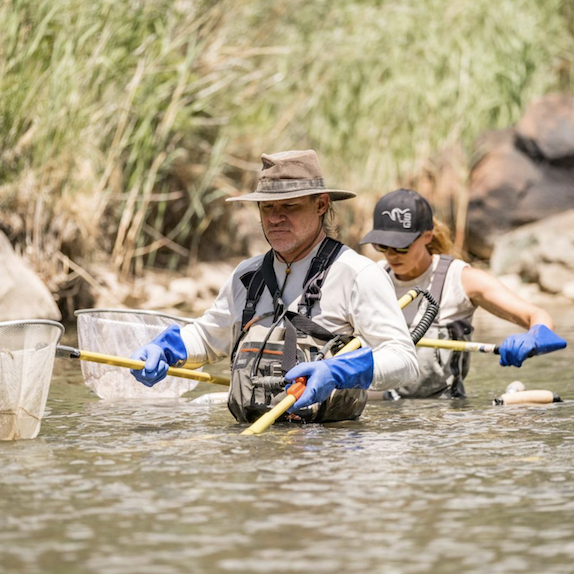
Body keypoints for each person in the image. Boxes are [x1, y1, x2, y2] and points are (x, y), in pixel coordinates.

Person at [130, 150, 419, 423]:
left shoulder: (358, 274)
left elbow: (404, 360)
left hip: (330, 458)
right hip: (255, 456)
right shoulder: (247, 274)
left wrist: (339, 371)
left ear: (320, 204)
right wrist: (168, 349)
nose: (274, 218)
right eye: (267, 207)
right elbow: (208, 338)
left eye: (289, 206)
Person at [360, 188, 567, 399]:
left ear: (427, 236)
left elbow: (537, 316)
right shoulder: (371, 278)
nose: (391, 254)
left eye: (400, 246)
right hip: (380, 408)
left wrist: (533, 338)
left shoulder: (461, 279)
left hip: (442, 416)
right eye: (382, 245)